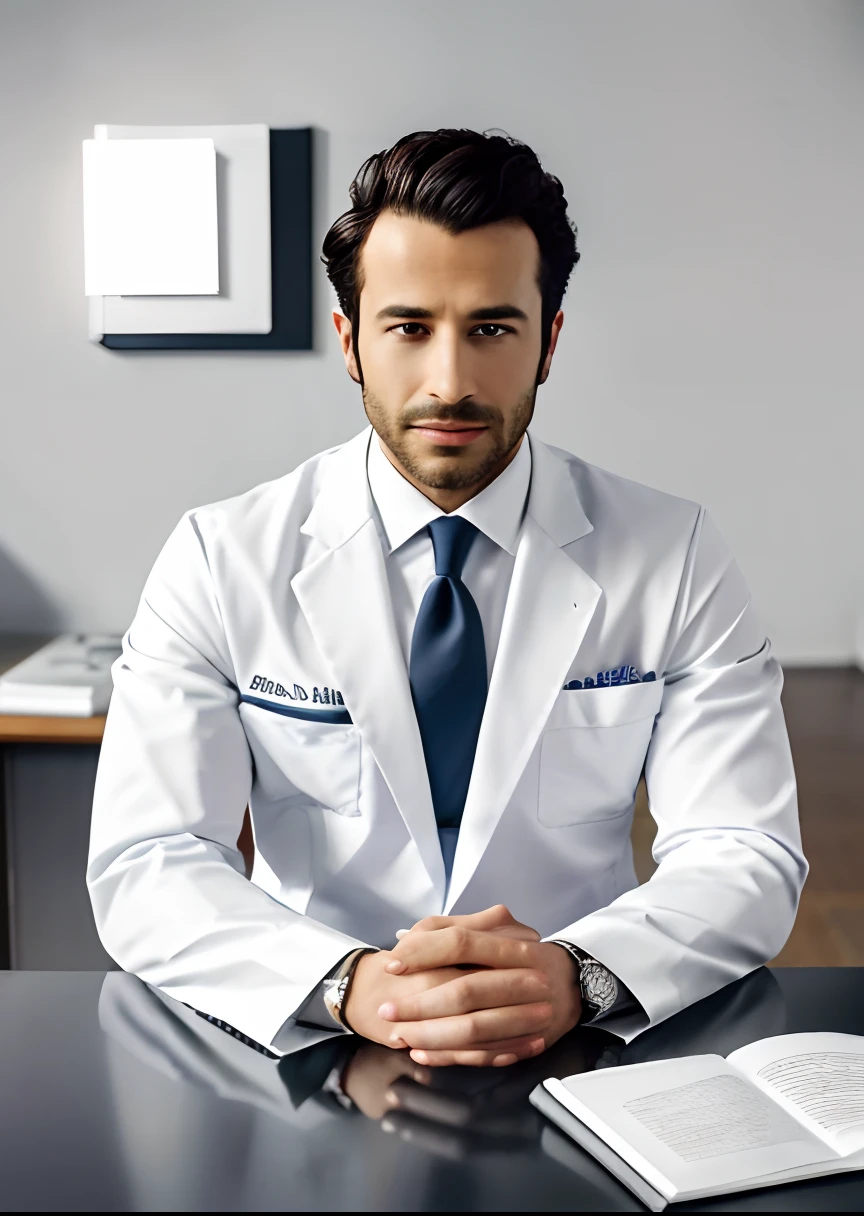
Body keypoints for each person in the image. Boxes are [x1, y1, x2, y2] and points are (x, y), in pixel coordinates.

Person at [87, 127, 808, 1070]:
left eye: (492, 329)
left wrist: (579, 974)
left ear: (549, 341)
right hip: (306, 1041)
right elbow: (149, 860)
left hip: (583, 1039)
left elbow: (744, 846)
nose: (451, 383)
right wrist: (347, 983)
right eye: (409, 327)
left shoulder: (674, 552)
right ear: (350, 341)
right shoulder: (219, 557)